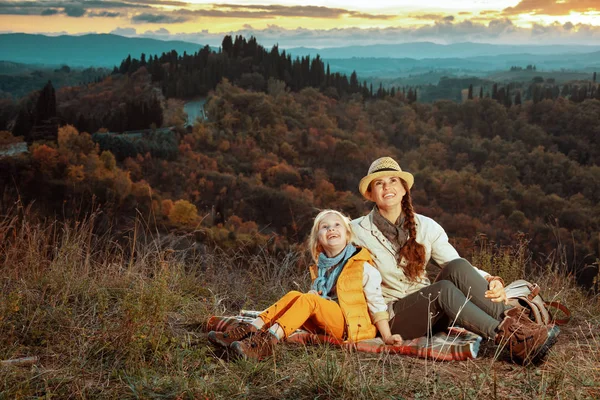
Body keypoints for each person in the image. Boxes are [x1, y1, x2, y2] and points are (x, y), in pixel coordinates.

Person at [350, 156, 558, 365]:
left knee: (456, 267)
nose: (387, 187)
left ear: (404, 189)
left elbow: (456, 262)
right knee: (443, 289)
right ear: (370, 194)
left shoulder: (426, 225)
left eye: (393, 181)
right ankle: (513, 341)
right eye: (379, 183)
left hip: (432, 312)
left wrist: (492, 279)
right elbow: (338, 268)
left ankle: (524, 330)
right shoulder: (356, 231)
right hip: (393, 319)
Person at [208, 209, 402, 360]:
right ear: (318, 239)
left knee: (308, 299)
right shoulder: (321, 268)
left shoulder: (363, 267)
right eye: (325, 227)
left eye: (337, 225)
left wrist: (386, 336)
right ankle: (248, 329)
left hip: (351, 325)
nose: (331, 229)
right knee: (295, 295)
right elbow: (323, 301)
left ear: (347, 234)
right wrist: (314, 298)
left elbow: (377, 304)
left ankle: (268, 342)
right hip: (328, 320)